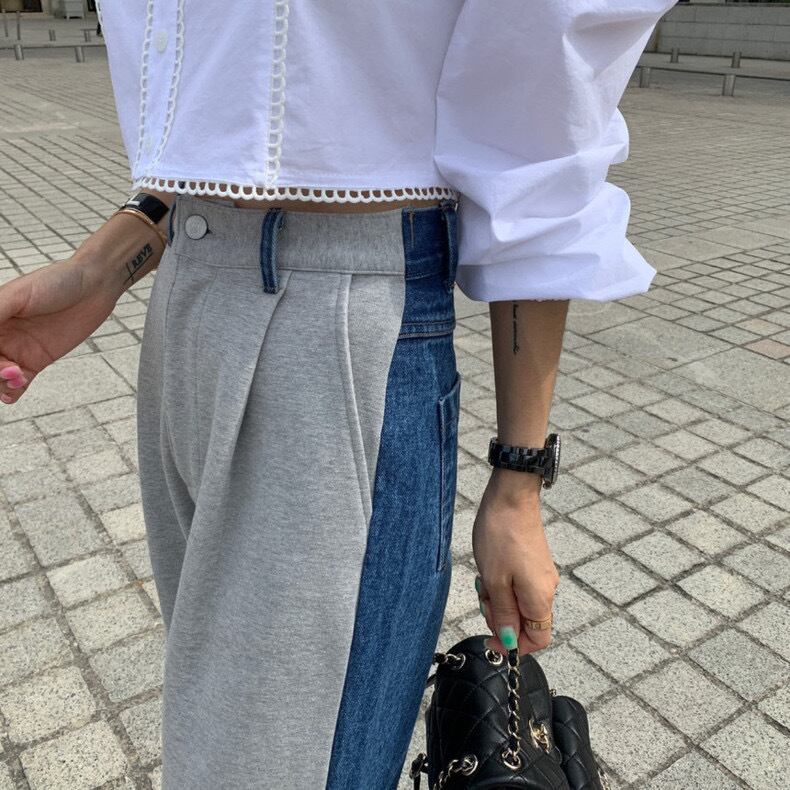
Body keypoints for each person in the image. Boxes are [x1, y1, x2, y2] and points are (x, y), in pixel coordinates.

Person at [0, 1, 677, 787]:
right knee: (210, 729)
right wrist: (104, 264)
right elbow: (216, 103)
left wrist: (518, 478)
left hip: (338, 321)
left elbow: (539, 114)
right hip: (186, 289)